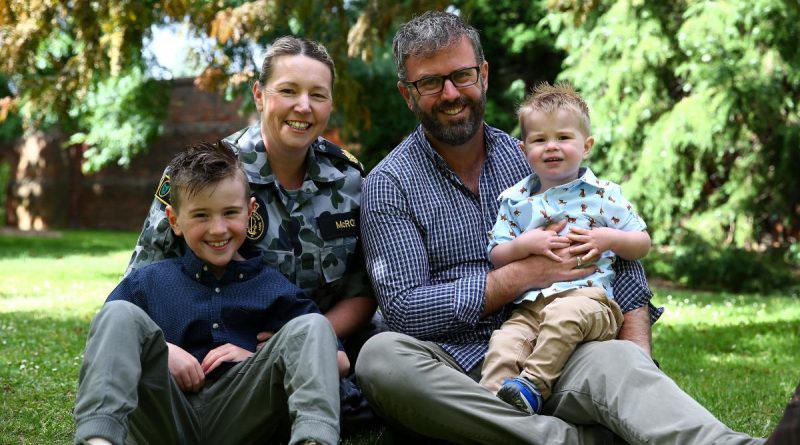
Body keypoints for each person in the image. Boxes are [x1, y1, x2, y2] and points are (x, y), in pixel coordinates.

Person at [356, 10, 764, 445]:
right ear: (407, 94)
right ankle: (571, 439)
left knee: (621, 364)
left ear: (485, 75)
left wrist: (636, 352)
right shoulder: (389, 184)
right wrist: (521, 275)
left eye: (462, 75)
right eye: (430, 82)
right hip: (454, 368)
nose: (451, 93)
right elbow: (405, 308)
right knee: (380, 360)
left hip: (561, 343)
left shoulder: (536, 155)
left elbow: (614, 251)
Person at [125, 36, 379, 431]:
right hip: (218, 365)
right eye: (288, 91)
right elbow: (140, 284)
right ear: (259, 95)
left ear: (331, 103)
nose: (303, 107)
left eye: (318, 94)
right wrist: (168, 351)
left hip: (321, 348)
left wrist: (294, 345)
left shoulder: (350, 181)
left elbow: (362, 292)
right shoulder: (203, 175)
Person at [73, 141, 340, 445]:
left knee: (313, 325)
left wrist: (259, 357)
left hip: (243, 418)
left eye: (230, 212)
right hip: (164, 416)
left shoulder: (274, 287)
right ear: (174, 220)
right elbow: (107, 344)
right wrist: (166, 351)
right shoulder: (147, 283)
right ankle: (98, 440)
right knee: (118, 313)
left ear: (250, 212)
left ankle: (314, 441)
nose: (218, 229)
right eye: (201, 215)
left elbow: (338, 360)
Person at [480, 82, 651, 415]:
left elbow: (642, 242)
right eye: (540, 140)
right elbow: (496, 255)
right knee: (503, 343)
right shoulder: (515, 201)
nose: (551, 147)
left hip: (589, 303)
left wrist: (609, 239)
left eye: (563, 138)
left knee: (564, 315)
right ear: (523, 149)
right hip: (531, 308)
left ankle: (532, 387)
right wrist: (523, 245)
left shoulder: (604, 195)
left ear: (586, 146)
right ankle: (490, 410)